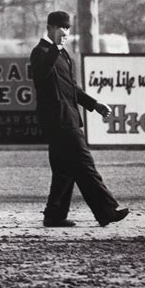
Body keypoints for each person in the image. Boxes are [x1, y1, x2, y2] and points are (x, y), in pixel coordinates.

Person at [30, 11, 129, 227]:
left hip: (67, 118)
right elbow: (39, 75)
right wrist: (55, 48)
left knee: (64, 170)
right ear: (50, 28)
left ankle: (54, 215)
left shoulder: (62, 53)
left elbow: (72, 88)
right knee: (85, 164)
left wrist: (94, 105)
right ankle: (107, 210)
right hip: (59, 121)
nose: (65, 32)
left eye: (67, 28)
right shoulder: (41, 52)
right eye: (61, 28)